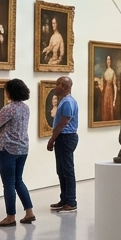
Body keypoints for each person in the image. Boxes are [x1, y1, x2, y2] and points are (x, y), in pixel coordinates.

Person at [0, 79, 34, 227]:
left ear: (10, 92)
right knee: (18, 180)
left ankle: (10, 216)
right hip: (23, 148)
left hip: (8, 149)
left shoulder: (8, 109)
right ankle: (29, 212)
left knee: (8, 183)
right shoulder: (25, 108)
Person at [46, 76, 79, 211]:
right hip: (63, 138)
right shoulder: (65, 101)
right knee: (61, 171)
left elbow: (63, 123)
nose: (55, 86)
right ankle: (64, 199)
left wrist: (52, 139)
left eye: (58, 84)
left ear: (65, 87)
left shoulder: (67, 102)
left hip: (66, 138)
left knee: (67, 171)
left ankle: (71, 201)